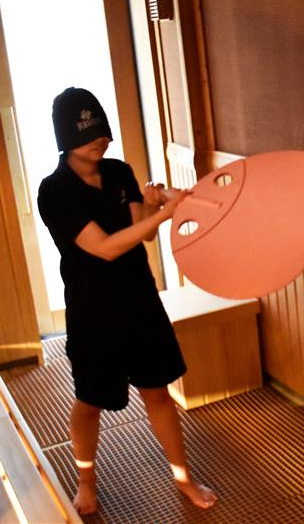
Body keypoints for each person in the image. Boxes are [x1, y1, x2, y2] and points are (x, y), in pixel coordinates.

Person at [37, 87, 217, 515]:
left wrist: (153, 207)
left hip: (139, 298)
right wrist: (165, 213)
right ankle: (86, 482)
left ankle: (184, 478)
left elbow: (143, 234)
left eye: (102, 132)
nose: (99, 141)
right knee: (89, 401)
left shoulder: (119, 172)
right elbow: (104, 248)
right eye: (88, 134)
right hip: (93, 309)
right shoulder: (54, 190)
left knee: (158, 392)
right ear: (66, 138)